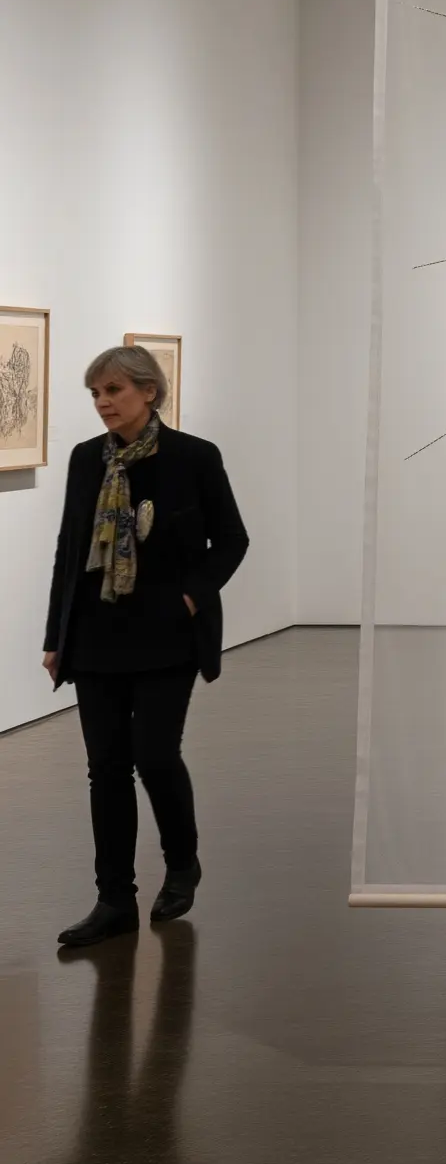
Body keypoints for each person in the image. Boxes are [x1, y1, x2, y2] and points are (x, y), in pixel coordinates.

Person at [43, 345, 249, 950]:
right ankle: (114, 899)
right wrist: (57, 637)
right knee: (105, 767)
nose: (104, 403)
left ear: (149, 392)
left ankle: (182, 863)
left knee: (155, 754)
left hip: (167, 634)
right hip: (96, 636)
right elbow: (69, 550)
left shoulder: (193, 457)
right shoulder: (87, 461)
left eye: (114, 391)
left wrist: (189, 598)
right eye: (96, 394)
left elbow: (232, 540)